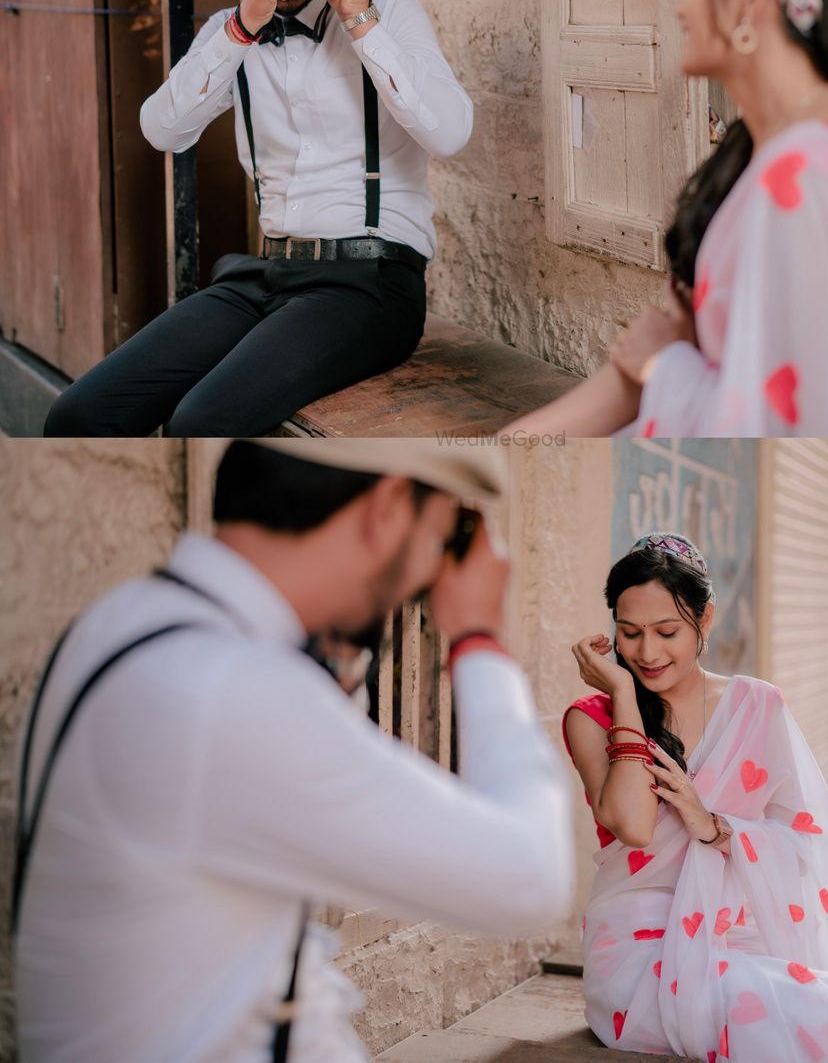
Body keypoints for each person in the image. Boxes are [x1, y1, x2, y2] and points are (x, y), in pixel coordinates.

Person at [14, 439, 573, 1062]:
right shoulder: (229, 695)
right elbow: (531, 877)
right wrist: (479, 639)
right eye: (445, 532)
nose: (431, 576)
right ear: (388, 506)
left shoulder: (128, 620)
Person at [44, 0, 473, 437]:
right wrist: (243, 28)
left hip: (370, 283)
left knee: (201, 421)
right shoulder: (228, 31)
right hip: (265, 273)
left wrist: (359, 21)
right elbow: (162, 131)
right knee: (78, 415)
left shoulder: (389, 13)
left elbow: (449, 134)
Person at [506, 0, 828, 439]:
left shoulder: (807, 177)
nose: (682, 5)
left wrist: (662, 366)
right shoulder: (777, 154)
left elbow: (799, 429)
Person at [563, 532, 828, 1061]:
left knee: (806, 1007)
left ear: (705, 621)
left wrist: (714, 824)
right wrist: (623, 696)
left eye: (667, 631)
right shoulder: (593, 717)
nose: (647, 653)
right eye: (629, 633)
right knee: (783, 1008)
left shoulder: (755, 706)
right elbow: (634, 826)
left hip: (737, 937)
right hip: (637, 953)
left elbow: (808, 844)